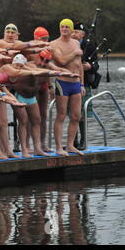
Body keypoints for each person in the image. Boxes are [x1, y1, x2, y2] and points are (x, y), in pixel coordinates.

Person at [0, 54, 78, 158]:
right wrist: (5, 92)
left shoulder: (30, 68)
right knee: (23, 121)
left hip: (31, 97)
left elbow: (47, 72)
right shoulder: (8, 68)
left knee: (37, 120)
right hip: (17, 96)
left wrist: (67, 74)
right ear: (13, 63)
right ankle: (24, 149)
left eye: (20, 65)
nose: (18, 67)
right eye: (16, 65)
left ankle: (37, 149)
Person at [50, 19, 85, 156]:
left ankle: (70, 145)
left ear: (71, 29)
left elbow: (79, 64)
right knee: (61, 115)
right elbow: (61, 61)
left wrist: (82, 83)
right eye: (62, 27)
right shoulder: (54, 44)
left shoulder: (76, 42)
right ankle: (59, 147)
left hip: (76, 83)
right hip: (62, 82)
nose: (64, 29)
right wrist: (75, 53)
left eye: (67, 27)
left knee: (76, 116)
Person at [72, 22, 99, 150]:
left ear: (82, 34)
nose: (73, 34)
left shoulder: (89, 46)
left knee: (81, 113)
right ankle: (73, 141)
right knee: (71, 113)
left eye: (76, 32)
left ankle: (83, 140)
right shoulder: (68, 44)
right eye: (73, 31)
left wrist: (90, 67)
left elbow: (96, 65)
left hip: (85, 82)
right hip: (70, 82)